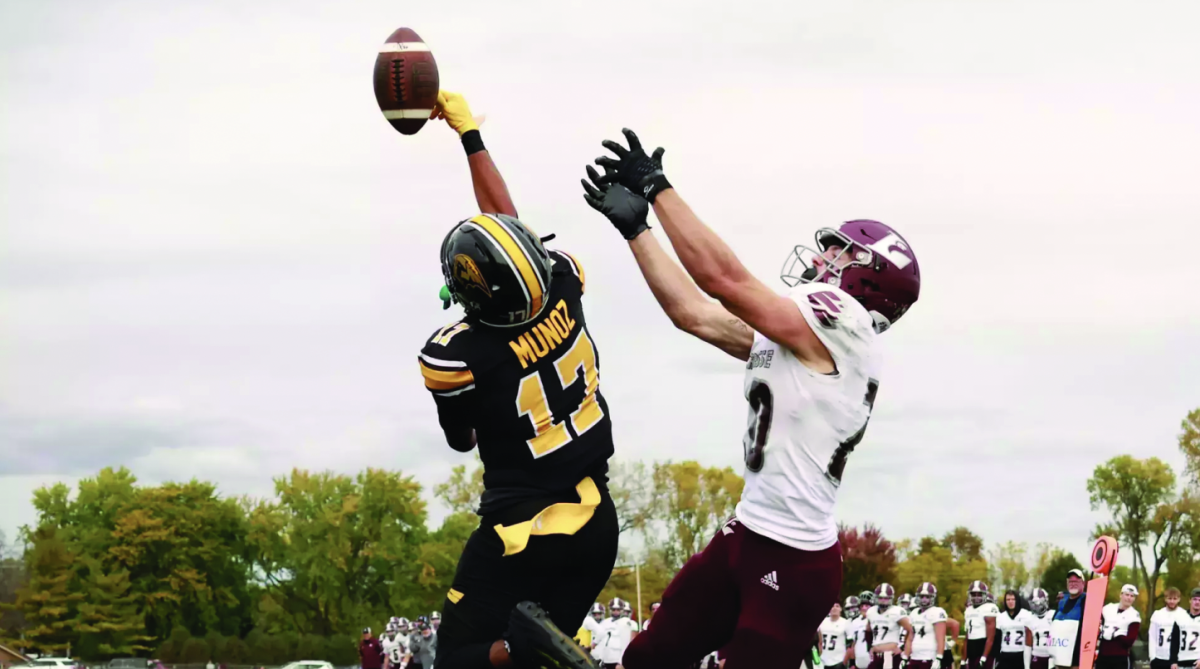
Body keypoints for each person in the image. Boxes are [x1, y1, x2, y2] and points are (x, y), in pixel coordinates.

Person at [580, 128, 920, 669]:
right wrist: (638, 230)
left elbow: (723, 279)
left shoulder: (844, 325)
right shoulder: (804, 339)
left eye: (841, 252)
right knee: (648, 659)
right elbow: (693, 314)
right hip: (746, 531)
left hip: (796, 557)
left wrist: (658, 187)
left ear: (868, 279)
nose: (824, 255)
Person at [419, 91, 619, 669]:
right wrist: (471, 137)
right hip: (594, 522)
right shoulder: (563, 281)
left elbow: (464, 440)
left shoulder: (457, 355)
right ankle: (529, 650)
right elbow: (511, 229)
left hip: (522, 533)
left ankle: (518, 648)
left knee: (460, 656)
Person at [866, 584, 915, 669]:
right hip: (876, 656)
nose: (883, 601)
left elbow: (911, 630)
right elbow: (868, 631)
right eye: (880, 598)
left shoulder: (896, 612)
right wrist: (869, 647)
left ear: (891, 599)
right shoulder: (871, 611)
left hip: (890, 655)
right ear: (876, 598)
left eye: (886, 598)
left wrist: (902, 647)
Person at [1051, 569, 1089, 669]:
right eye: (1070, 582)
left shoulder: (1087, 600)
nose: (1073, 584)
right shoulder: (1062, 602)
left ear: (1083, 584)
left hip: (1076, 659)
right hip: (1060, 658)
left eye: (1076, 581)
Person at [1098, 584, 1141, 669]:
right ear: (1121, 595)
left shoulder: (1134, 615)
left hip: (1120, 657)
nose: (1129, 598)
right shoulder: (1108, 609)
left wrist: (1117, 634)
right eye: (1127, 595)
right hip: (1103, 654)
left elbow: (1129, 641)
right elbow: (1097, 625)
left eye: (1132, 596)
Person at [907, 582, 948, 669]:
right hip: (914, 656)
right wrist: (905, 656)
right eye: (922, 596)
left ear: (933, 597)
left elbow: (941, 638)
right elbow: (910, 638)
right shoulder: (914, 613)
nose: (924, 599)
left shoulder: (937, 612)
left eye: (927, 597)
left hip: (929, 657)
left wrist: (939, 658)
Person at [595, 598, 639, 669]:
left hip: (616, 660)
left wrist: (621, 662)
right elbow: (601, 642)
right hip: (604, 659)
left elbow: (626, 644)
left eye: (618, 610)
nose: (615, 612)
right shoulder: (605, 622)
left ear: (622, 610)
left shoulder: (626, 623)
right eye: (613, 609)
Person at [1150, 587, 1189, 669]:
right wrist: (1152, 657)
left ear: (1179, 599)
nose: (1172, 601)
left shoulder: (1184, 614)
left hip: (1177, 659)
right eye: (1169, 598)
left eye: (1175, 599)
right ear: (1165, 599)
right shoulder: (1158, 614)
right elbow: (1152, 636)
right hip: (1159, 657)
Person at [994, 590, 1033, 669]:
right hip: (1005, 653)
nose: (1010, 602)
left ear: (1017, 600)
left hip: (1021, 654)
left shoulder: (1026, 615)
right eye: (1008, 600)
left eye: (1013, 599)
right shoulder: (1001, 617)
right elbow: (997, 639)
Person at [964, 581, 999, 669]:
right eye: (973, 594)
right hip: (972, 649)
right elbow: (966, 638)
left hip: (984, 649)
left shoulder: (989, 608)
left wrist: (983, 658)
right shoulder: (968, 610)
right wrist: (963, 660)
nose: (976, 597)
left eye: (979, 594)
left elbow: (990, 637)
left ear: (985, 595)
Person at [847, 592, 876, 669]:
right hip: (859, 663)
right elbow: (853, 644)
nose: (864, 608)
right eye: (862, 605)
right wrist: (852, 663)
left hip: (874, 662)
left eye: (867, 605)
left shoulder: (877, 620)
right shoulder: (855, 622)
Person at [820, 601, 851, 669]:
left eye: (837, 606)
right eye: (832, 606)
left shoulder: (846, 623)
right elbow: (819, 642)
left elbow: (851, 645)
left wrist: (844, 662)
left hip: (838, 662)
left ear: (841, 609)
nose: (834, 608)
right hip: (822, 662)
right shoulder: (823, 622)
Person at [1028, 589, 1054, 669]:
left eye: (1038, 602)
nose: (1036, 606)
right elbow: (1028, 644)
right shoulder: (1030, 618)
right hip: (1036, 655)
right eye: (1034, 603)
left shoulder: (1053, 615)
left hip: (1051, 656)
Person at [1178, 587, 1200, 669]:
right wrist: (1173, 661)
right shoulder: (1180, 617)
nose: (1197, 602)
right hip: (1181, 661)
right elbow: (1175, 640)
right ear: (1190, 600)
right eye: (1195, 599)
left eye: (1199, 600)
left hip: (1197, 662)